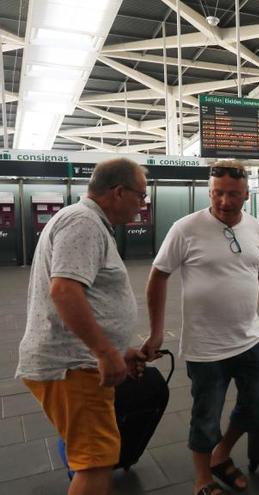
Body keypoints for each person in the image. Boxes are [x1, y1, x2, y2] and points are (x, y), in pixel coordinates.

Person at [147, 162, 259, 495]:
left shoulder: (254, 227)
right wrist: (157, 332)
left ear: (246, 194)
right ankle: (203, 479)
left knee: (257, 407)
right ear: (209, 191)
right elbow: (158, 276)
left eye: (233, 194)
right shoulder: (185, 228)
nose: (225, 201)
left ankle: (221, 454)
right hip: (205, 347)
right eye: (217, 193)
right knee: (205, 416)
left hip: (251, 340)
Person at [15, 158, 148, 495]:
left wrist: (118, 350)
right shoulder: (83, 223)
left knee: (90, 455)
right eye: (140, 196)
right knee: (95, 462)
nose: (142, 205)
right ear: (118, 192)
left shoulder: (87, 222)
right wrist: (104, 351)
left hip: (76, 362)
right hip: (72, 367)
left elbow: (85, 296)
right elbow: (64, 291)